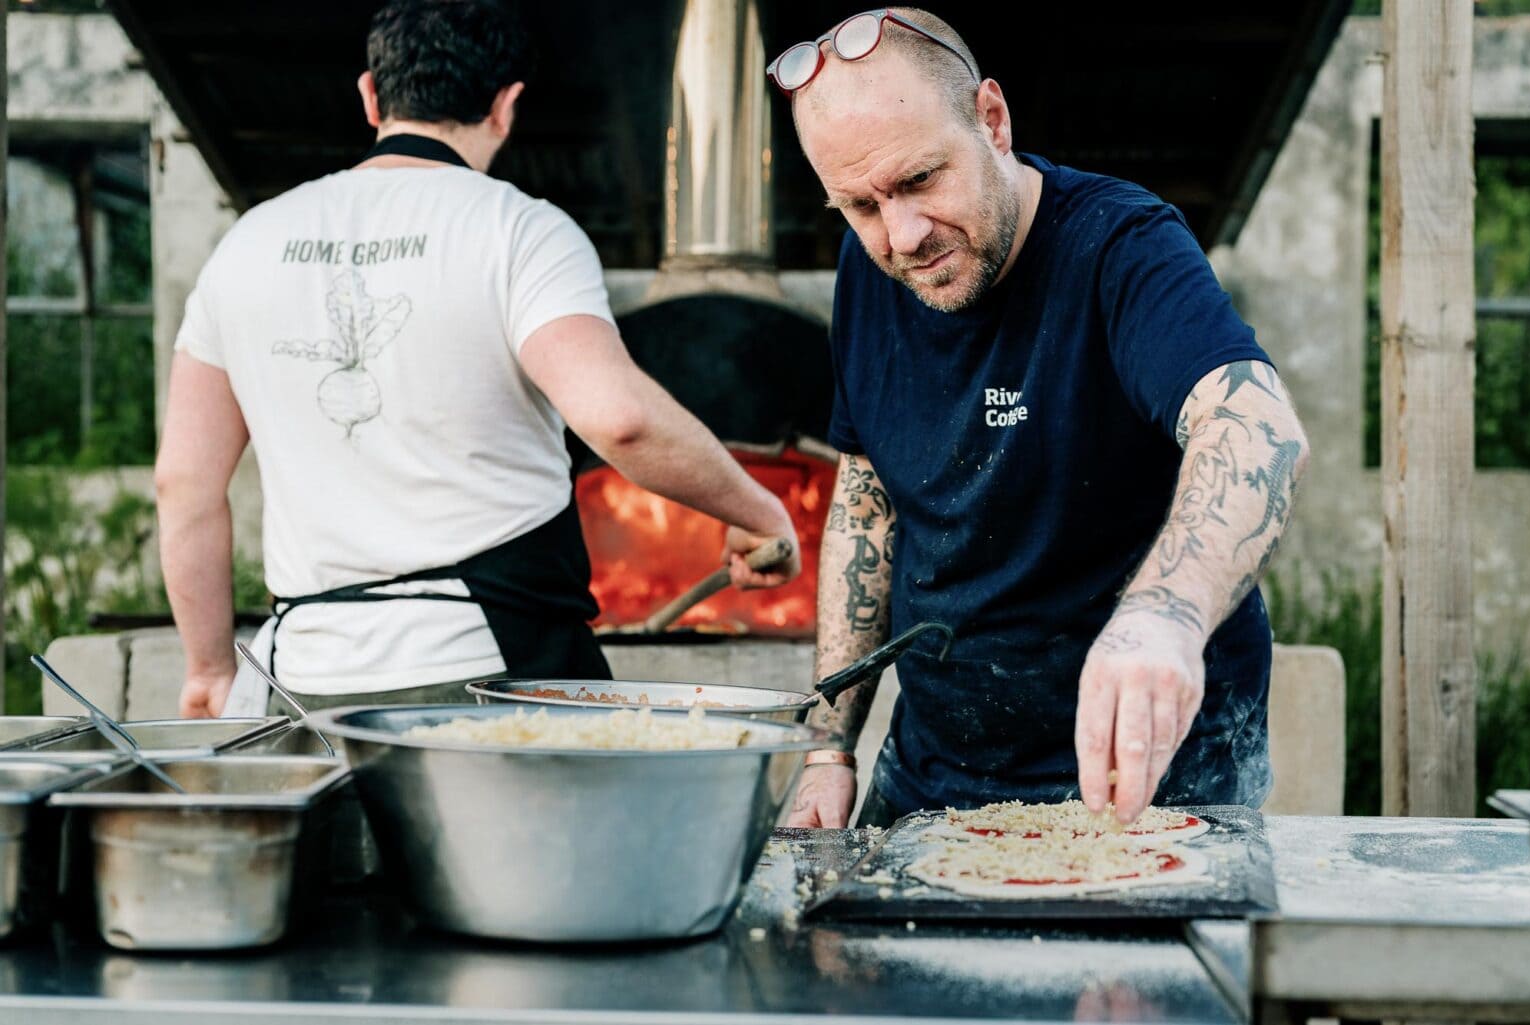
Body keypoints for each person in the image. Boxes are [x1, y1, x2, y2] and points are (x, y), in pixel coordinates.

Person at [155, 0, 799, 717]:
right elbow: (621, 420)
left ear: (371, 95)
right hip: (495, 676)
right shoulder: (520, 230)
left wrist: (209, 667)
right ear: (506, 105)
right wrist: (760, 509)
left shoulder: (247, 244)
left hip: (303, 681)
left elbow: (184, 485)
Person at [775, 8, 1309, 828]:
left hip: (1143, 784)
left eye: (920, 180)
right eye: (861, 204)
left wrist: (1164, 614)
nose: (902, 234)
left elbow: (1255, 428)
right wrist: (827, 747)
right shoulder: (870, 265)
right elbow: (867, 496)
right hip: (936, 776)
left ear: (992, 119)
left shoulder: (1121, 243)